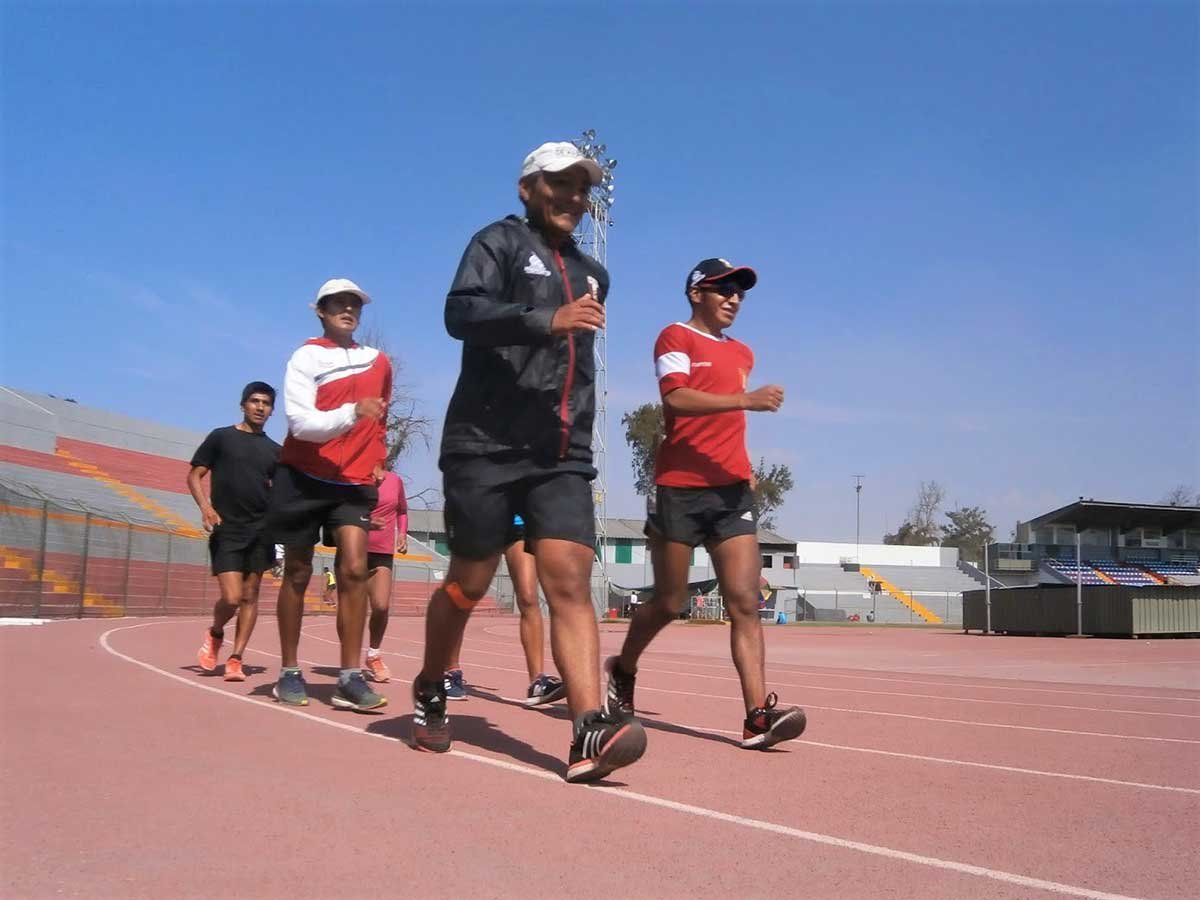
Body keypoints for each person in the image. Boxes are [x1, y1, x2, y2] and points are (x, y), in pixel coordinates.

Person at [412, 141, 646, 783]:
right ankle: (432, 681)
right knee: (467, 583)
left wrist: (581, 426)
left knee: (568, 579)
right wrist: (547, 318)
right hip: (484, 445)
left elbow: (579, 363)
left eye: (582, 186)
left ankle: (589, 728)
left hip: (559, 451)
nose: (574, 196)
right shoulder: (498, 243)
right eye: (560, 184)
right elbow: (460, 313)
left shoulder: (594, 271)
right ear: (527, 188)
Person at [604, 258, 807, 750]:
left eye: (741, 291)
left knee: (744, 603)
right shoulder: (674, 337)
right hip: (679, 487)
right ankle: (623, 667)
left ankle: (757, 716)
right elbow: (676, 399)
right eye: (724, 289)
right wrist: (747, 401)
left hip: (732, 490)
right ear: (697, 293)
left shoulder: (743, 353)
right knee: (670, 602)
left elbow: (726, 425)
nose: (735, 298)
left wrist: (745, 465)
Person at [264, 277, 392, 712]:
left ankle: (349, 677)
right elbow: (301, 425)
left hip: (353, 483)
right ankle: (289, 672)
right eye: (337, 303)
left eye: (354, 304)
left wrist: (378, 456)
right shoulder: (306, 357)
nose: (347, 309)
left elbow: (380, 419)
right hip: (302, 475)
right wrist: (351, 412)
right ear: (320, 310)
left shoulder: (378, 362)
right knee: (298, 573)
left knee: (355, 570)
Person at [188, 382, 282, 681]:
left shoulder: (274, 451)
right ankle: (216, 633)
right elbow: (194, 475)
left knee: (250, 597)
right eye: (254, 401)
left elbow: (281, 494)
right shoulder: (221, 437)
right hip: (227, 528)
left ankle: (236, 658)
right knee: (231, 598)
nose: (259, 407)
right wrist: (205, 507)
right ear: (242, 405)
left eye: (266, 403)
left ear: (271, 410)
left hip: (261, 531)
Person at [442, 514, 566, 706]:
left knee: (528, 597)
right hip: (483, 516)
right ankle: (450, 671)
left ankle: (537, 681)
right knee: (464, 593)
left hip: (519, 523)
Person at [361, 470, 408, 682]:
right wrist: (366, 521)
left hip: (382, 552)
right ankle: (349, 665)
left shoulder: (395, 480)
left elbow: (402, 510)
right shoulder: (356, 474)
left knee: (381, 606)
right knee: (351, 609)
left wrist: (402, 534)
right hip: (355, 548)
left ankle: (373, 654)